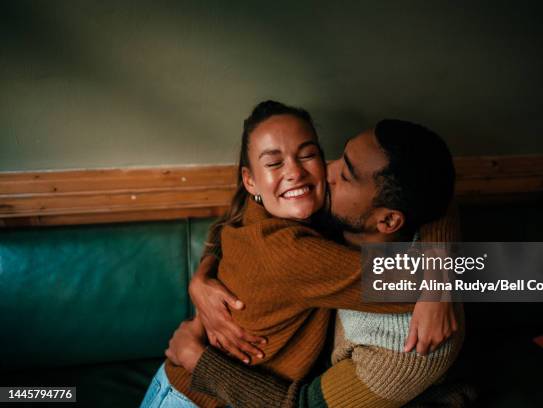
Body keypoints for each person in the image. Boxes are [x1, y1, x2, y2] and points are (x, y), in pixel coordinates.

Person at [142, 101, 462, 407]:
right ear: (251, 180)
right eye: (273, 163)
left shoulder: (303, 207)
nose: (303, 173)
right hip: (191, 398)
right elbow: (495, 272)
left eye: (310, 155)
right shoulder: (294, 247)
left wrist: (204, 271)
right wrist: (440, 284)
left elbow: (433, 194)